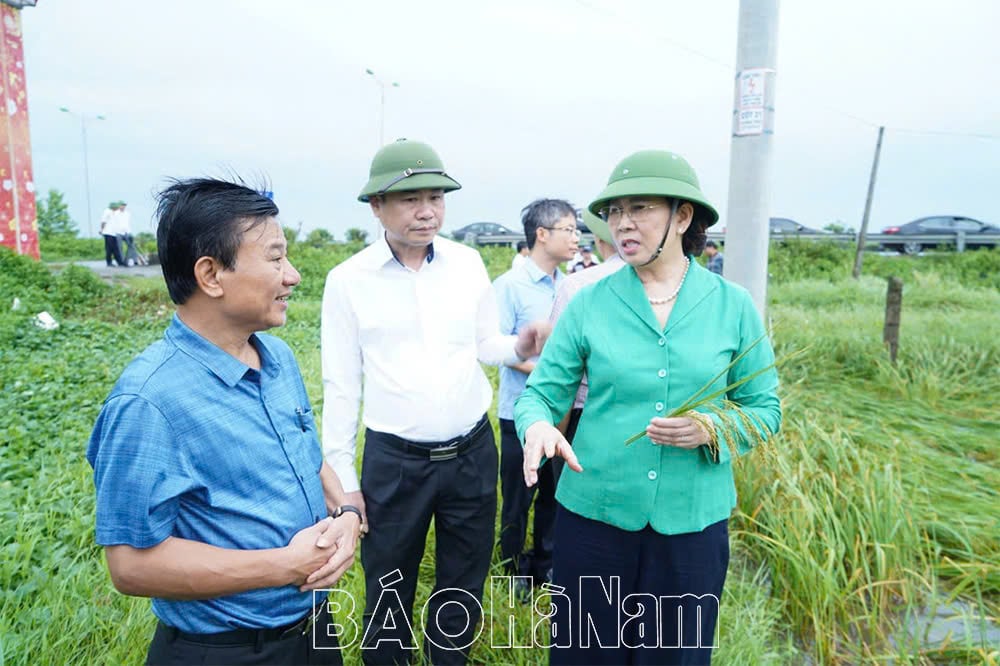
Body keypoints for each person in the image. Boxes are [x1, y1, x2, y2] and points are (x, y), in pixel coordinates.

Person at [515, 150, 781, 665]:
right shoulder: (589, 301)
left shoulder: (733, 306)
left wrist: (712, 427)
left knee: (674, 656)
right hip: (594, 517)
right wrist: (538, 425)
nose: (623, 224)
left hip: (691, 527)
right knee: (583, 654)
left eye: (640, 209)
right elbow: (543, 393)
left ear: (683, 217)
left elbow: (764, 408)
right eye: (615, 212)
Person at [87, 178, 360, 666]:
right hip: (225, 651)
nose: (293, 275)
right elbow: (128, 566)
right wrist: (284, 566)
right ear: (211, 275)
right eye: (275, 259)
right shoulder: (149, 401)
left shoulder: (277, 358)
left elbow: (306, 458)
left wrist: (347, 516)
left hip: (314, 631)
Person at [321, 138, 550, 665]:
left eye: (436, 197)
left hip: (471, 452)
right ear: (376, 206)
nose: (427, 211)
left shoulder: (467, 263)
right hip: (394, 463)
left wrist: (519, 344)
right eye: (410, 199)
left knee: (463, 583)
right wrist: (346, 484)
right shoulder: (347, 281)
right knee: (388, 585)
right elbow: (341, 387)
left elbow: (483, 342)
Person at [493, 198, 579, 593]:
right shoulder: (510, 286)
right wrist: (552, 373)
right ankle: (510, 573)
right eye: (569, 229)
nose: (576, 238)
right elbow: (503, 350)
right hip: (519, 413)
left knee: (553, 496)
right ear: (542, 234)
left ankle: (543, 568)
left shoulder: (571, 285)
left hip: (561, 416)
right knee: (516, 499)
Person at [547, 210, 627, 483]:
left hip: (586, 421)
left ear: (600, 240)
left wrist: (557, 444)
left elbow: (560, 380)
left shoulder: (578, 285)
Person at [100, 200, 125, 267]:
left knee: (116, 248)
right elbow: (103, 222)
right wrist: (101, 230)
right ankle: (109, 262)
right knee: (109, 249)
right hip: (108, 233)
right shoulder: (107, 211)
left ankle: (119, 262)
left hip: (114, 233)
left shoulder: (115, 212)